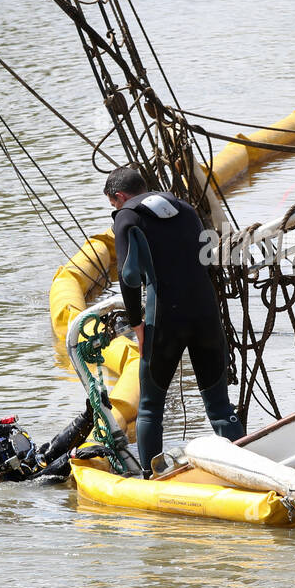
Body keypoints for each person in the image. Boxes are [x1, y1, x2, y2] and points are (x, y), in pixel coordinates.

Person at [105, 166, 245, 474]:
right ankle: (248, 468)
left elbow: (129, 276)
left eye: (113, 203)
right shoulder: (184, 207)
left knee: (150, 407)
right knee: (220, 406)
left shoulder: (127, 217)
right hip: (207, 313)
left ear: (119, 196)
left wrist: (137, 324)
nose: (115, 209)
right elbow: (204, 257)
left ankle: (149, 478)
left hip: (165, 318)